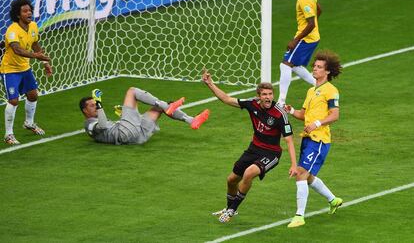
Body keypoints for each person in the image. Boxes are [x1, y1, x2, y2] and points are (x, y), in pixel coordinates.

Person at [202, 69, 298, 223]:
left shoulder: (279, 114)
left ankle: (232, 210)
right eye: (264, 95)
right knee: (231, 180)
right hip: (254, 149)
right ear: (259, 96)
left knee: (248, 174)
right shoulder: (251, 104)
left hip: (271, 153)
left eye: (270, 94)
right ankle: (228, 208)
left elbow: (289, 140)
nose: (268, 97)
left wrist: (294, 164)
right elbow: (227, 99)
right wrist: (210, 84)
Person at [285, 50, 343, 228]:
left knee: (301, 173)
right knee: (308, 177)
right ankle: (333, 200)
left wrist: (317, 123)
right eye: (315, 66)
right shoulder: (311, 90)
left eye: (319, 67)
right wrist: (292, 111)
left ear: (327, 71)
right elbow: (304, 115)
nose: (315, 69)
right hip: (308, 138)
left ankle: (299, 216)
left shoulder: (331, 91)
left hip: (319, 140)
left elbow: (335, 115)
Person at [1, 0, 52, 145]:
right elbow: (17, 50)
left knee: (33, 95)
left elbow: (35, 44)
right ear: (18, 15)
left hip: (25, 68)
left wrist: (44, 62)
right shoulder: (12, 31)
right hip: (10, 70)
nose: (29, 13)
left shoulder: (34, 26)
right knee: (13, 100)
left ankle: (29, 123)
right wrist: (36, 56)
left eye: (30, 10)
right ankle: (8, 134)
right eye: (25, 11)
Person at [79, 87, 210, 145]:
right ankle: (168, 107)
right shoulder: (89, 124)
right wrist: (100, 104)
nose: (95, 106)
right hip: (125, 134)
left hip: (137, 138)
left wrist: (121, 117)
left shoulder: (96, 121)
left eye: (95, 103)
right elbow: (101, 126)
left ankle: (192, 120)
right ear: (84, 111)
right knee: (132, 91)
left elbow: (106, 128)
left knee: (161, 107)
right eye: (92, 105)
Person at [278, 0, 322, 106]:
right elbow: (319, 10)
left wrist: (296, 39)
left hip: (306, 39)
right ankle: (319, 85)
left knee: (285, 64)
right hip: (311, 37)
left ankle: (281, 101)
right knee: (295, 66)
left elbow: (311, 23)